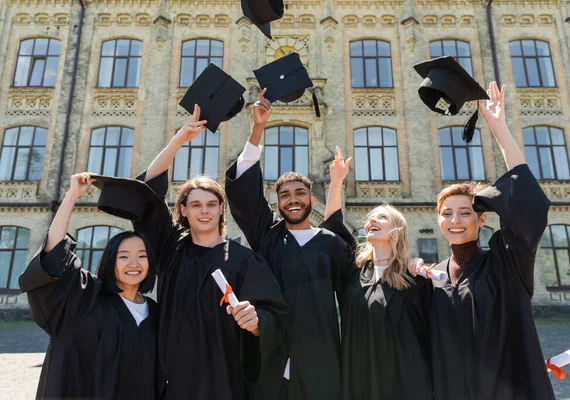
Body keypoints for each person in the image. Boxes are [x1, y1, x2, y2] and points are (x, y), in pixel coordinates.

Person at [134, 104, 288, 400]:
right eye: (195, 204)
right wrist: (178, 140)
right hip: (174, 377)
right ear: (182, 210)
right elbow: (149, 192)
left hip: (224, 379)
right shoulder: (171, 248)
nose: (203, 211)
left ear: (221, 209)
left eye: (211, 204)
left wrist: (257, 325)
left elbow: (274, 315)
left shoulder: (244, 261)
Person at [417, 82, 554, 400]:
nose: (454, 221)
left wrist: (499, 129)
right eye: (446, 213)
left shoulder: (505, 263)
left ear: (482, 218)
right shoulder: (435, 278)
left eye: (465, 213)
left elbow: (526, 203)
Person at [225, 89, 355, 400]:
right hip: (272, 363)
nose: (292, 199)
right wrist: (258, 127)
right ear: (277, 202)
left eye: (299, 193)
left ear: (311, 198)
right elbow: (244, 189)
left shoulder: (331, 245)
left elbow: (357, 293)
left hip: (322, 363)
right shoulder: (268, 237)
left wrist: (336, 182)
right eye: (284, 195)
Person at [19, 172, 159, 400]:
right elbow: (55, 257)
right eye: (123, 257)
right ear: (110, 261)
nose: (133, 264)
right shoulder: (86, 297)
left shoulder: (155, 313)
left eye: (141, 256)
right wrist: (72, 196)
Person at [321, 148, 433, 400]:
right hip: (358, 376)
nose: (371, 220)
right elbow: (332, 226)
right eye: (370, 218)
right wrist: (337, 181)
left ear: (397, 229)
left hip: (401, 380)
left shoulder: (414, 279)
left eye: (381, 217)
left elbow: (430, 333)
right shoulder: (355, 271)